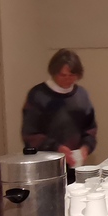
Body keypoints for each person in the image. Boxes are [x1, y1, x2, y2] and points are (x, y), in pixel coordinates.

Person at [20, 49, 98, 178]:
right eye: (63, 75)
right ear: (54, 72)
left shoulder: (81, 95)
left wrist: (86, 147)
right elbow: (30, 134)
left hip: (75, 168)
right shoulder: (38, 95)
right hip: (45, 169)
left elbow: (90, 128)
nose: (68, 79)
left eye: (72, 75)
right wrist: (57, 148)